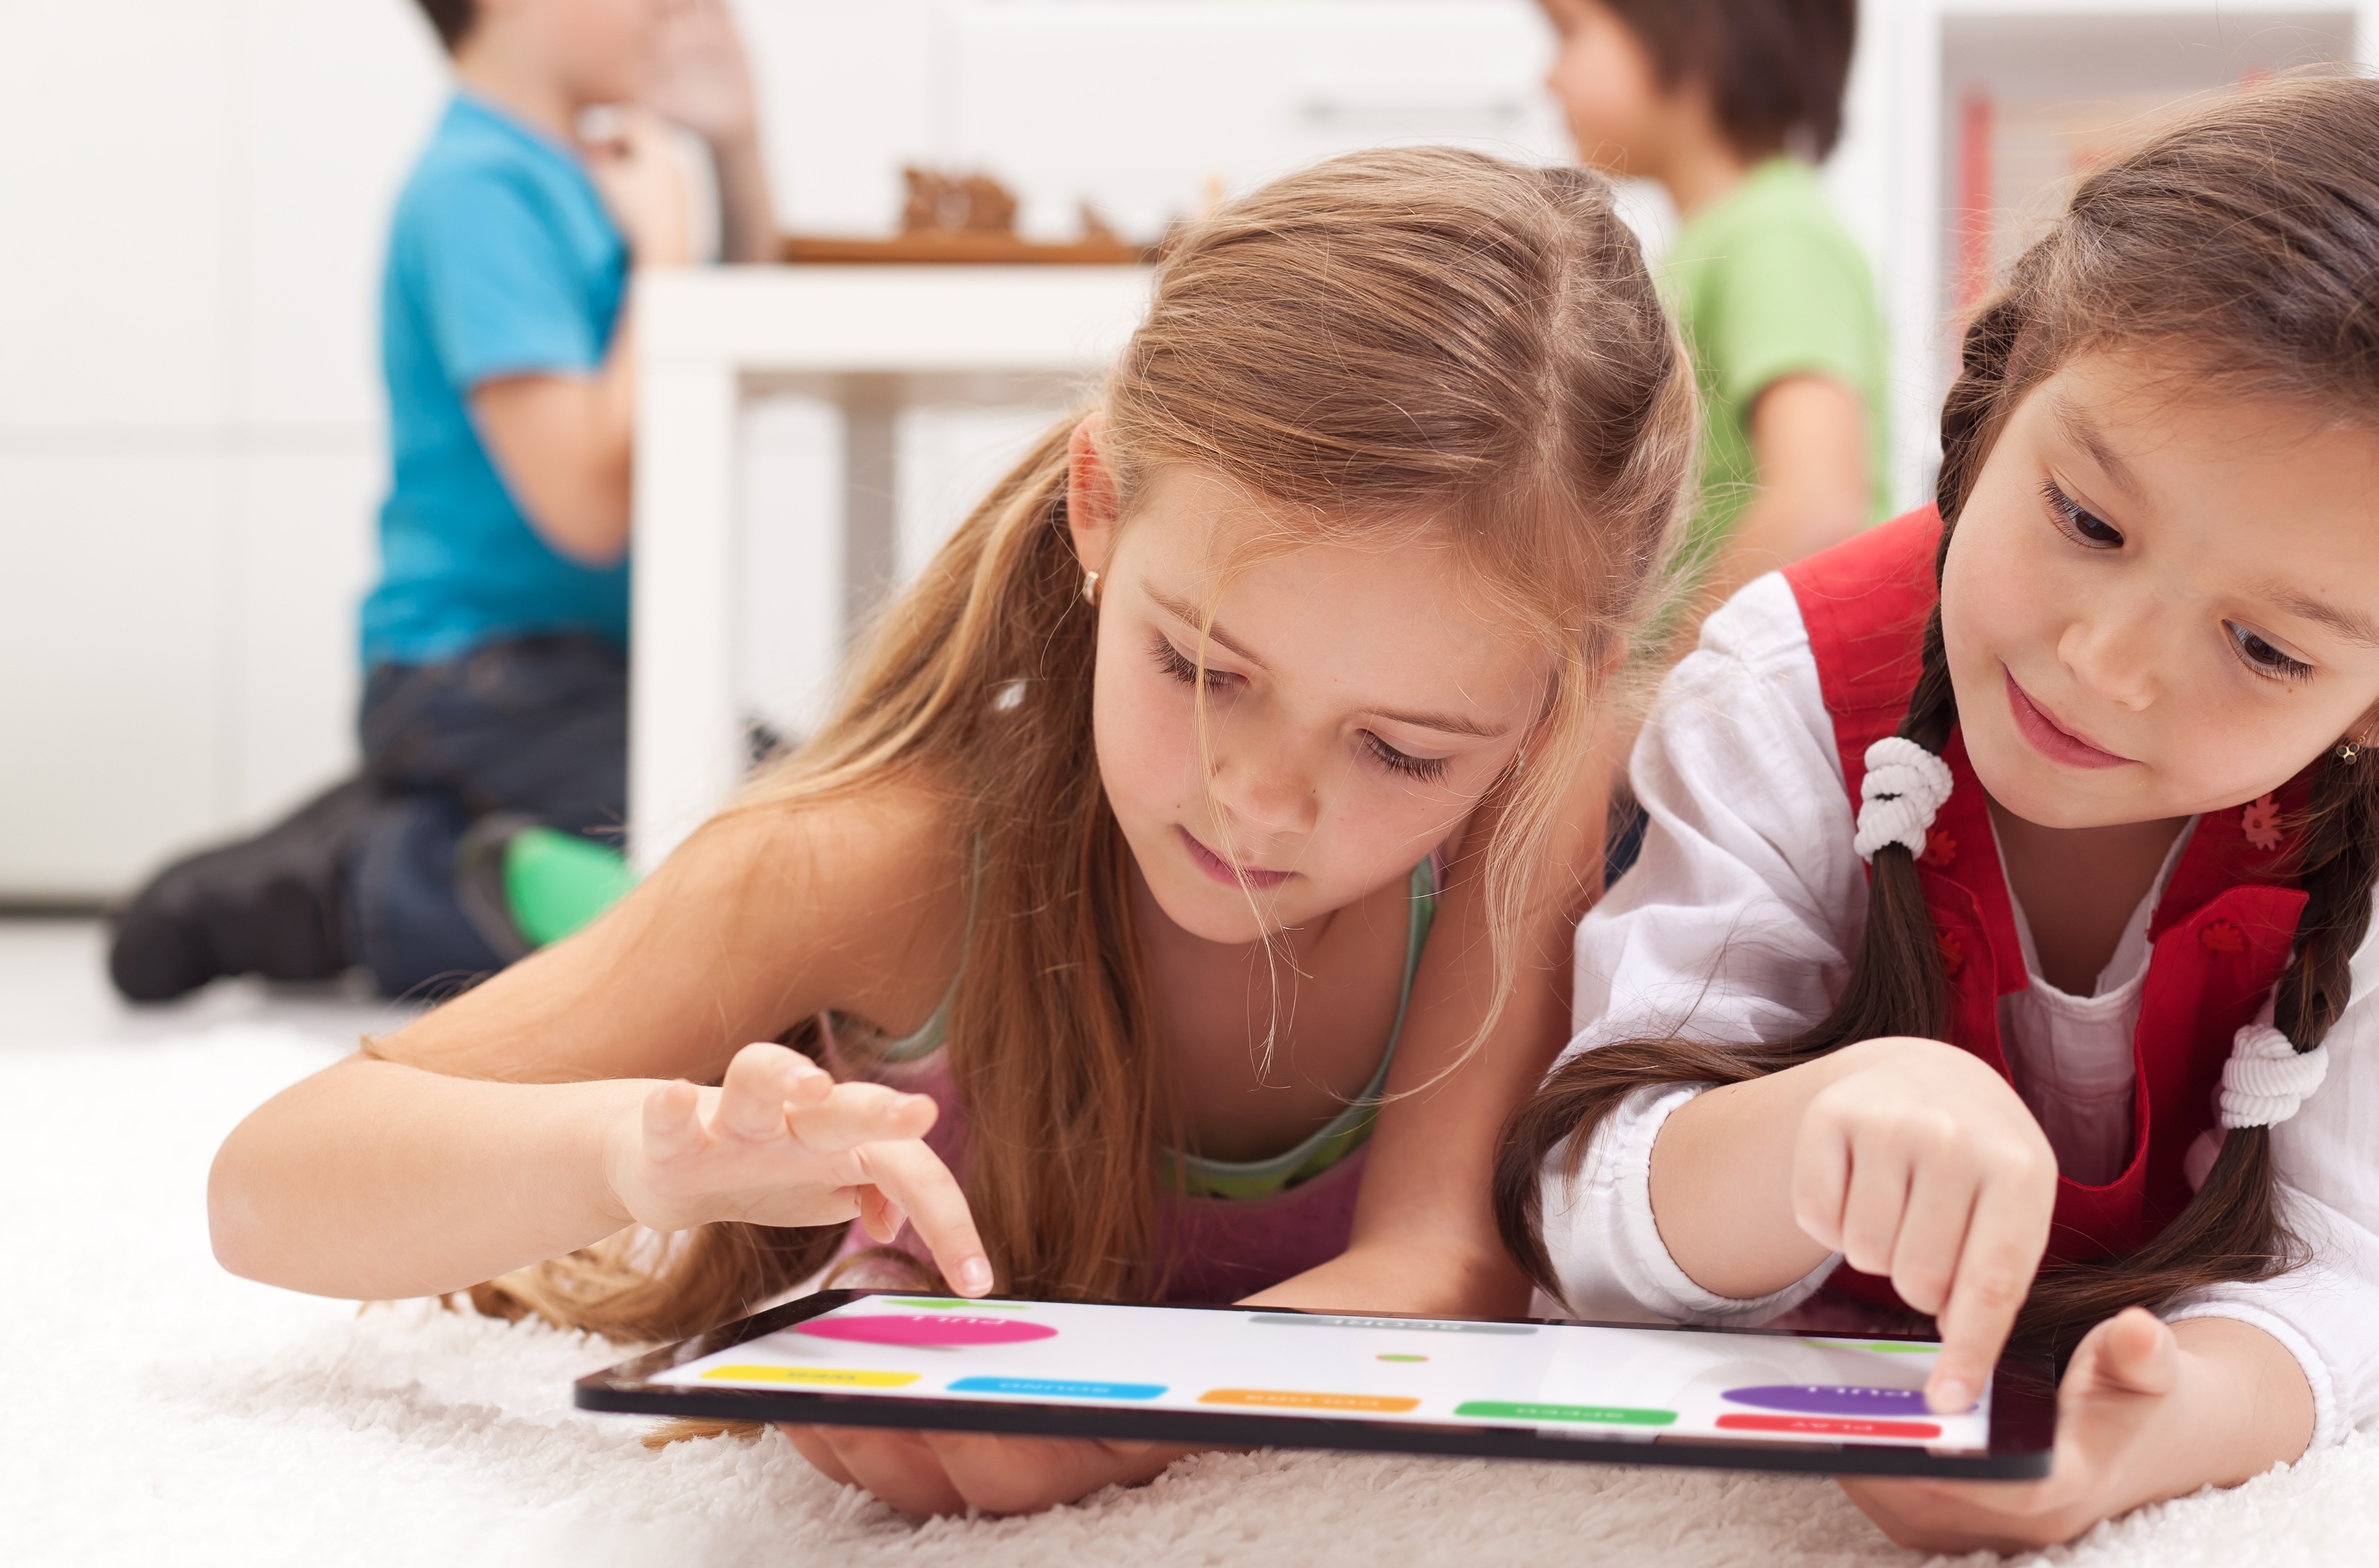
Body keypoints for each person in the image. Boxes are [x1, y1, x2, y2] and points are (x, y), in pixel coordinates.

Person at [208, 147, 1694, 1520]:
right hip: (754, 872)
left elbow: (1447, 1262)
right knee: (600, 909)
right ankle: (395, 862)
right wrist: (642, 1151)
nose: (1259, 796)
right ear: (1098, 503)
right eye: (1202, 667)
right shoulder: (874, 859)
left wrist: (1115, 1415)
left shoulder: (1537, 809)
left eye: (1395, 747)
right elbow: (270, 1181)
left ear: (1552, 698)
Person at [1497, 77, 2379, 1551]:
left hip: (2313, 1088)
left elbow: (2342, 1268)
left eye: (2268, 649)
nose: (2106, 668)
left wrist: (2132, 1440)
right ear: (2007, 384)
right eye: (2090, 521)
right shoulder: (1783, 684)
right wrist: (1808, 1136)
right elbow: (1584, 1209)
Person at [106, 0, 779, 1003]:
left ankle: (432, 826)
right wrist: (663, 262)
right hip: (478, 675)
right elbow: (585, 509)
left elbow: (724, 367)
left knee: (833, 835)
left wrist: (734, 151)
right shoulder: (481, 190)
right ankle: (364, 879)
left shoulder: (594, 179)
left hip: (582, 673)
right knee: (774, 882)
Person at [1540, 0, 1887, 616]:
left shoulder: (1775, 233)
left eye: (1571, 34)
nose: (1549, 75)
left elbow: (1819, 500)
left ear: (1692, 34)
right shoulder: (1711, 242)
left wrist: (1665, 694)